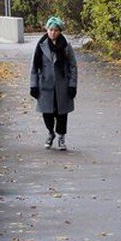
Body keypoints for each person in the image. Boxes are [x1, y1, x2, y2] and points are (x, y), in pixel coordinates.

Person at [29, 16, 78, 149]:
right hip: (45, 85)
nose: (53, 33)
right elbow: (34, 66)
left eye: (56, 30)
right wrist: (33, 85)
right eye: (51, 30)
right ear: (47, 30)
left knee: (62, 113)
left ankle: (61, 137)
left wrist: (72, 85)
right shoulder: (41, 45)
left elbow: (73, 66)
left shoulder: (66, 46)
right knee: (47, 113)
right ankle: (51, 133)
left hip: (62, 84)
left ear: (60, 31)